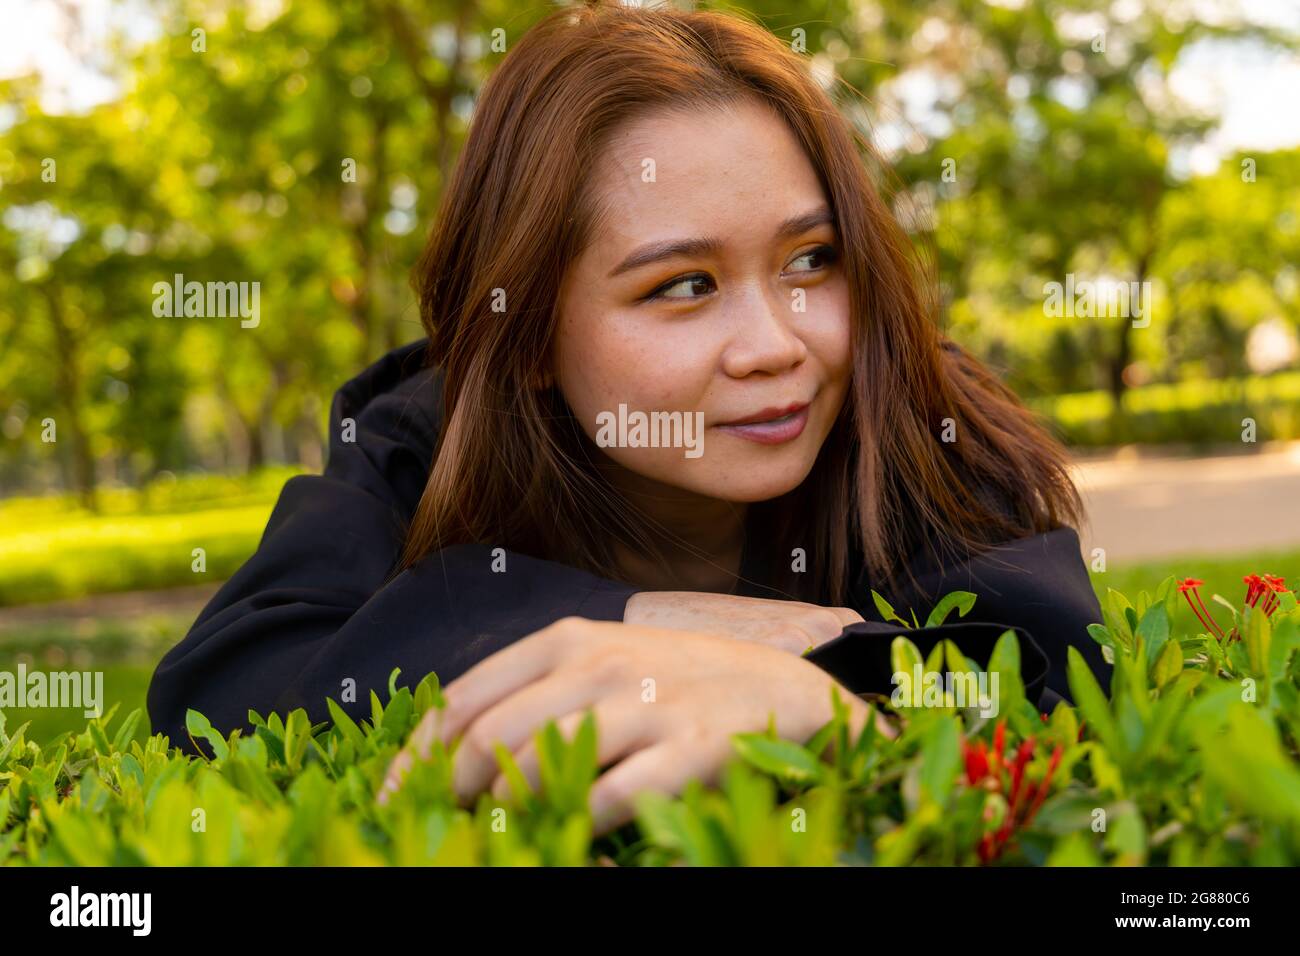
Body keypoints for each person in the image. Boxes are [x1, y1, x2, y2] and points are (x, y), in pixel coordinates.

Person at [147, 1, 1110, 835]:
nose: (775, 344)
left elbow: (1052, 671)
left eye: (811, 260)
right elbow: (232, 682)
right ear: (524, 337)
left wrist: (826, 691)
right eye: (684, 285)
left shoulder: (916, 419)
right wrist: (637, 618)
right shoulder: (420, 445)